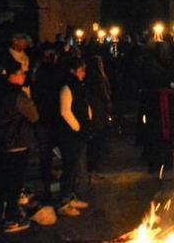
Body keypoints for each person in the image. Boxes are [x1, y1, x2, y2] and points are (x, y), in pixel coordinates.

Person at [0, 60, 39, 234]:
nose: (24, 76)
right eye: (21, 73)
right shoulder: (17, 96)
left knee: (1, 183)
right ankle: (11, 218)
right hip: (18, 143)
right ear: (12, 76)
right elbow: (34, 115)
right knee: (15, 184)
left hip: (3, 143)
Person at [57, 58, 91, 216]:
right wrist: (76, 126)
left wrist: (88, 118)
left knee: (74, 166)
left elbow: (83, 104)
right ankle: (64, 201)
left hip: (79, 133)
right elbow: (65, 111)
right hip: (70, 135)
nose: (84, 73)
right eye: (81, 70)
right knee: (69, 166)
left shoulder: (78, 86)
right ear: (73, 71)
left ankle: (70, 196)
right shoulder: (67, 87)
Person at [31, 45, 63, 202]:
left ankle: (48, 185)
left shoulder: (39, 74)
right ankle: (52, 186)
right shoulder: (54, 73)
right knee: (50, 153)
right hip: (51, 118)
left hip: (44, 118)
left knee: (46, 155)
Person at [86, 55, 113, 179]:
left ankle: (92, 168)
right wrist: (108, 108)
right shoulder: (99, 79)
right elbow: (104, 95)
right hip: (99, 113)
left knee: (94, 142)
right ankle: (93, 169)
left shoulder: (89, 79)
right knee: (97, 142)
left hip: (95, 112)